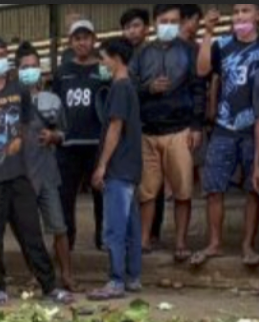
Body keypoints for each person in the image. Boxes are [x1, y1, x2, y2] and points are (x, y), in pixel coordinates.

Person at [0, 35, 74, 307]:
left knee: (31, 234)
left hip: (20, 177)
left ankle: (49, 286)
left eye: (2, 54)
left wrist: (26, 168)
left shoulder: (19, 91)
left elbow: (24, 132)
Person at [131, 5, 205, 262]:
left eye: (174, 21)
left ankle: (181, 242)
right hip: (148, 131)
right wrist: (148, 88)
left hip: (179, 130)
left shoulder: (189, 51)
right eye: (165, 21)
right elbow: (129, 87)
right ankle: (143, 240)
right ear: (154, 23)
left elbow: (198, 90)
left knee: (183, 189)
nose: (169, 26)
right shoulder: (142, 54)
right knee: (147, 191)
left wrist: (196, 126)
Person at [195, 5, 259, 267]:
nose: (239, 16)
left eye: (246, 11)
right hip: (223, 127)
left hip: (254, 129)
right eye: (235, 12)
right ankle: (215, 243)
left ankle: (248, 245)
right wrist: (208, 32)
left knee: (255, 190)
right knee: (213, 187)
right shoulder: (221, 44)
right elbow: (202, 71)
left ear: (257, 16)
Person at [16, 42, 77, 292]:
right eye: (24, 67)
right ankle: (36, 275)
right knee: (30, 232)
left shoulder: (52, 100)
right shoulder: (10, 99)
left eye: (33, 66)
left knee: (59, 227)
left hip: (48, 173)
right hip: (22, 175)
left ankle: (67, 274)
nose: (30, 70)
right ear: (16, 70)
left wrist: (54, 137)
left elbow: (65, 132)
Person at [89, 38, 144, 301]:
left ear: (116, 59)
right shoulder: (128, 87)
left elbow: (115, 127)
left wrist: (102, 165)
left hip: (118, 167)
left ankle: (116, 280)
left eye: (103, 58)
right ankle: (133, 277)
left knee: (115, 227)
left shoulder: (120, 88)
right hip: (131, 167)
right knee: (132, 225)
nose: (101, 63)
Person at [54, 20, 106, 251]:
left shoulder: (103, 69)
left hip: (97, 143)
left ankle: (102, 238)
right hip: (68, 143)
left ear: (93, 40)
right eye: (77, 38)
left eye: (86, 37)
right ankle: (68, 242)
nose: (82, 42)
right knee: (66, 197)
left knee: (101, 195)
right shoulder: (62, 72)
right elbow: (56, 104)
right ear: (71, 42)